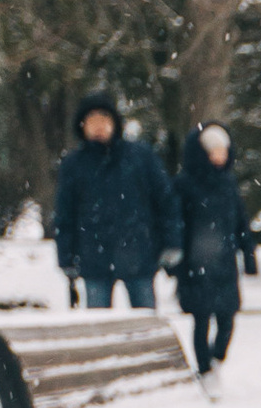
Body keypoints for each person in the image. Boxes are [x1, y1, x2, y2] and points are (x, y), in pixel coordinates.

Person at [53, 86, 177, 310]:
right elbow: (65, 215)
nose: (99, 126)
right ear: (82, 125)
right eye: (92, 120)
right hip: (93, 259)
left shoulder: (141, 158)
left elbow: (165, 201)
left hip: (139, 255)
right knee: (98, 326)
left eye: (104, 119)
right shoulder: (74, 165)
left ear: (115, 123)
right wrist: (66, 257)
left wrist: (171, 242)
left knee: (145, 325)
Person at [174, 124, 258, 375]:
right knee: (201, 319)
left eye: (224, 150)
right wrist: (175, 259)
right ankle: (204, 369)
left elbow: (241, 221)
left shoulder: (228, 183)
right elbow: (176, 222)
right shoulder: (184, 184)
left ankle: (216, 356)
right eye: (214, 151)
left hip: (225, 263)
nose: (220, 156)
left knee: (227, 319)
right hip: (195, 263)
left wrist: (249, 253)